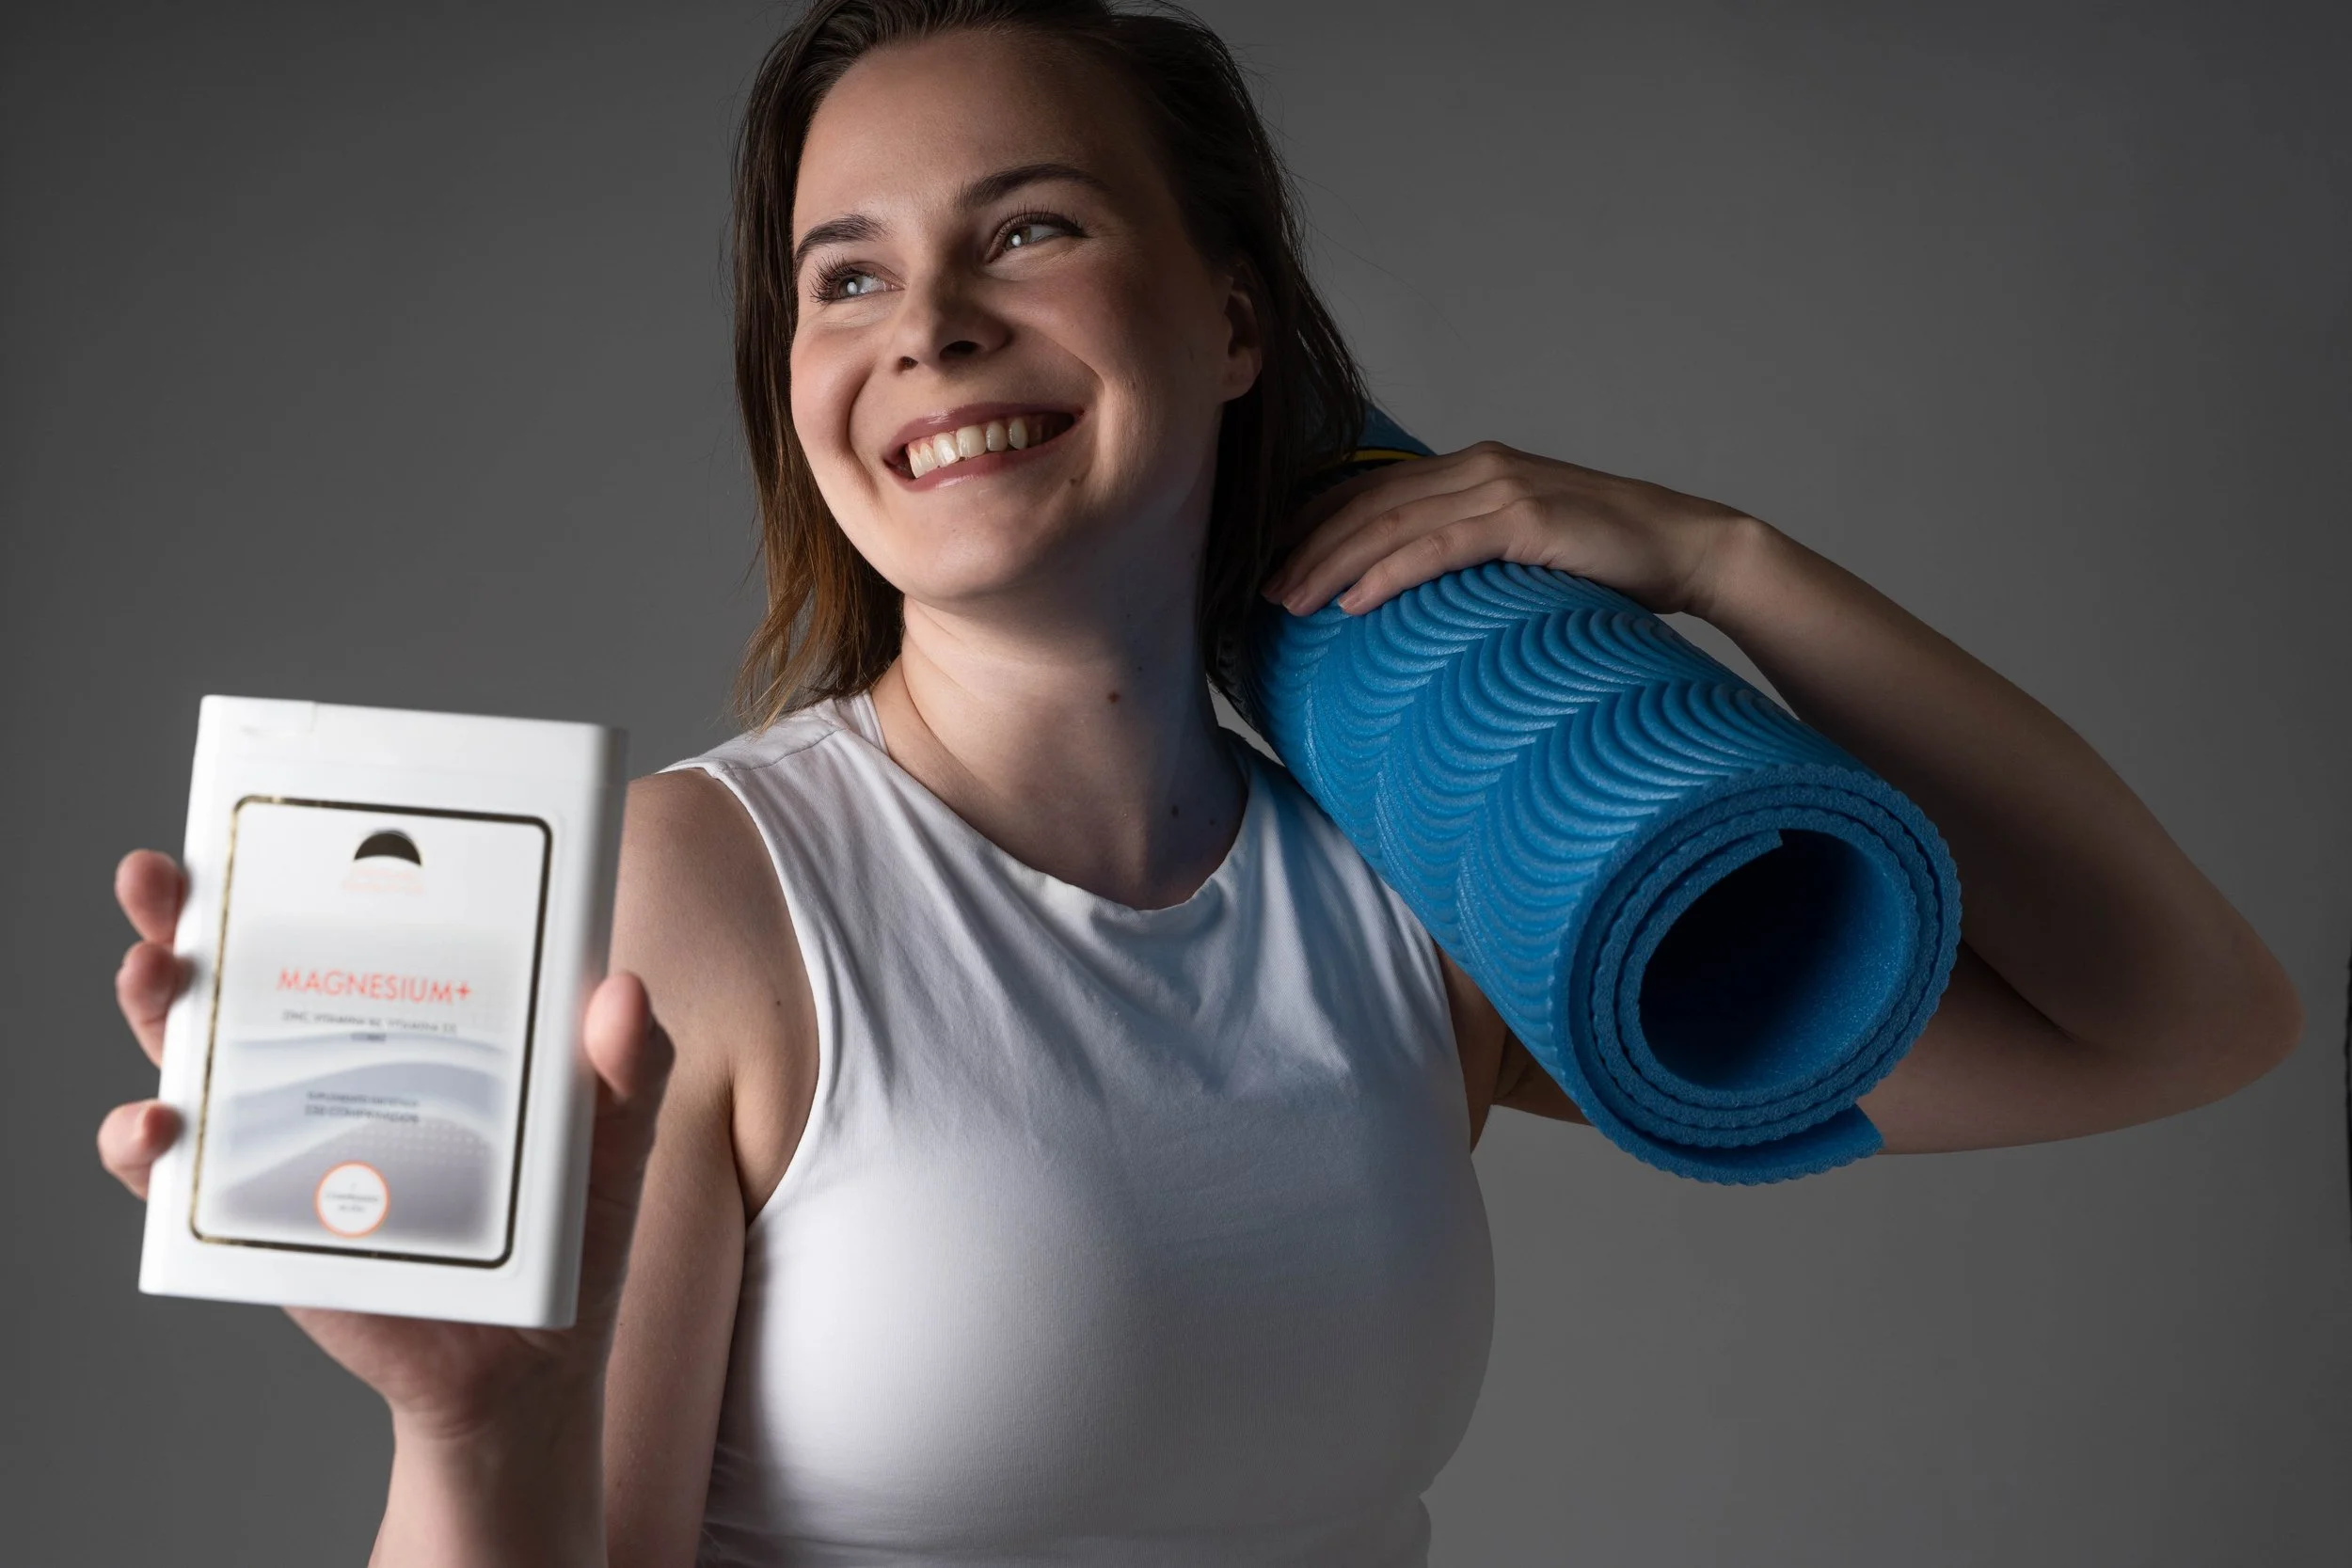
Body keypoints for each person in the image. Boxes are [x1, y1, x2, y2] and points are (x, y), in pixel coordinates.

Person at [94, 1, 2305, 1563]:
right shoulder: (704, 891)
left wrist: (1722, 562)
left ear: (1232, 317)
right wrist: (467, 1427)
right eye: (840, 275)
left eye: (1027, 229)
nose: (927, 329)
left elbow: (2176, 1019)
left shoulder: (1423, 891)